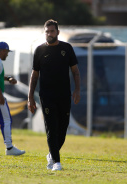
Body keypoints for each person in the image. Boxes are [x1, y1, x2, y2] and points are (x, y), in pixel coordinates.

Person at [27, 19, 81, 171]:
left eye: (52, 31)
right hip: (47, 97)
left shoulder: (67, 48)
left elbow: (75, 71)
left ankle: (51, 154)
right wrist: (30, 97)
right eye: (47, 31)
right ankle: (56, 162)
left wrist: (77, 90)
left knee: (62, 129)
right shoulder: (39, 51)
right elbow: (34, 75)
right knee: (51, 128)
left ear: (57, 32)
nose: (49, 34)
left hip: (64, 95)